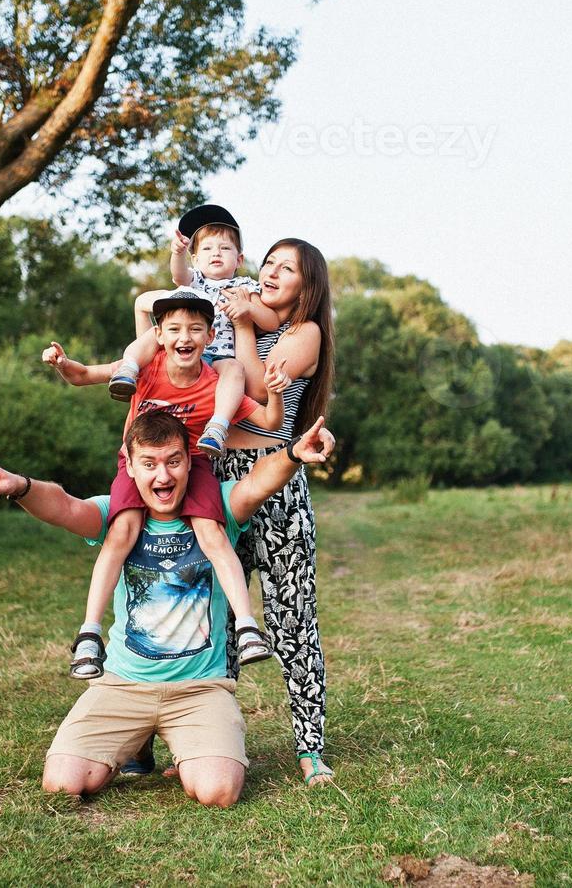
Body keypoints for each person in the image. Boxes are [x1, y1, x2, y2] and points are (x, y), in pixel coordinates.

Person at [0, 410, 337, 807]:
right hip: (123, 685)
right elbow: (64, 507)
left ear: (188, 462)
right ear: (131, 467)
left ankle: (187, 743)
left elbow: (258, 482)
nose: (163, 477)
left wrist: (293, 454)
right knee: (62, 782)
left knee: (218, 791)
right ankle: (135, 741)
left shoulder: (218, 510)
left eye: (173, 461)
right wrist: (19, 486)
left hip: (199, 690)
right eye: (150, 464)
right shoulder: (117, 515)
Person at [41, 288, 292, 680]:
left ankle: (246, 628)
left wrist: (276, 394)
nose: (184, 337)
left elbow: (271, 423)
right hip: (136, 466)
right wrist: (61, 363)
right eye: (174, 329)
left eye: (195, 329)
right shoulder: (148, 366)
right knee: (120, 532)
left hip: (190, 464)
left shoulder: (217, 381)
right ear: (159, 335)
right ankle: (89, 634)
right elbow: (83, 376)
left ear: (210, 337)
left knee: (213, 534)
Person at [216, 238, 337, 786]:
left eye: (285, 268)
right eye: (267, 261)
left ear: (305, 286)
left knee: (292, 616)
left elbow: (264, 400)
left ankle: (309, 747)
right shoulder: (246, 313)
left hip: (277, 475)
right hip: (219, 476)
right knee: (216, 618)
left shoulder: (303, 333)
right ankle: (213, 743)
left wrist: (243, 325)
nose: (269, 272)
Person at [108, 204, 281, 457]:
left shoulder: (244, 286)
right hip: (184, 350)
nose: (216, 254)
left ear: (239, 259)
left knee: (235, 370)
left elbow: (271, 321)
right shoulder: (195, 281)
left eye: (225, 248)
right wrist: (177, 252)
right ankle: (128, 369)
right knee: (153, 336)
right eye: (207, 249)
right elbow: (178, 275)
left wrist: (249, 309)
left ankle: (217, 426)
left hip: (220, 358)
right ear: (196, 259)